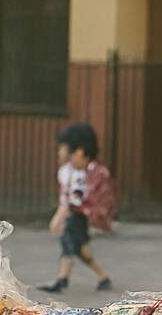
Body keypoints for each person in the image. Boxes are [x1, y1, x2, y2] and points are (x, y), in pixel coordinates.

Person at [39, 122, 116, 293]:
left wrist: (59, 216)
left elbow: (75, 200)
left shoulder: (91, 173)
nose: (60, 153)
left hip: (78, 216)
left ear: (79, 152)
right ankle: (102, 277)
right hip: (76, 215)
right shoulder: (70, 171)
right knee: (82, 250)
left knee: (68, 242)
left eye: (63, 149)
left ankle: (62, 279)